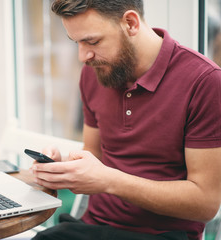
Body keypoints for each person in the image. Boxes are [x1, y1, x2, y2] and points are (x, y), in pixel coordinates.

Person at [31, 1, 221, 240]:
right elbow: (93, 154)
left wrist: (109, 181)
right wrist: (62, 166)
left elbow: (204, 204)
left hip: (163, 235)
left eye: (92, 41)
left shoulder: (204, 82)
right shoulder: (94, 72)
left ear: (130, 23)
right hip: (93, 227)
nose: (83, 56)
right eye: (76, 42)